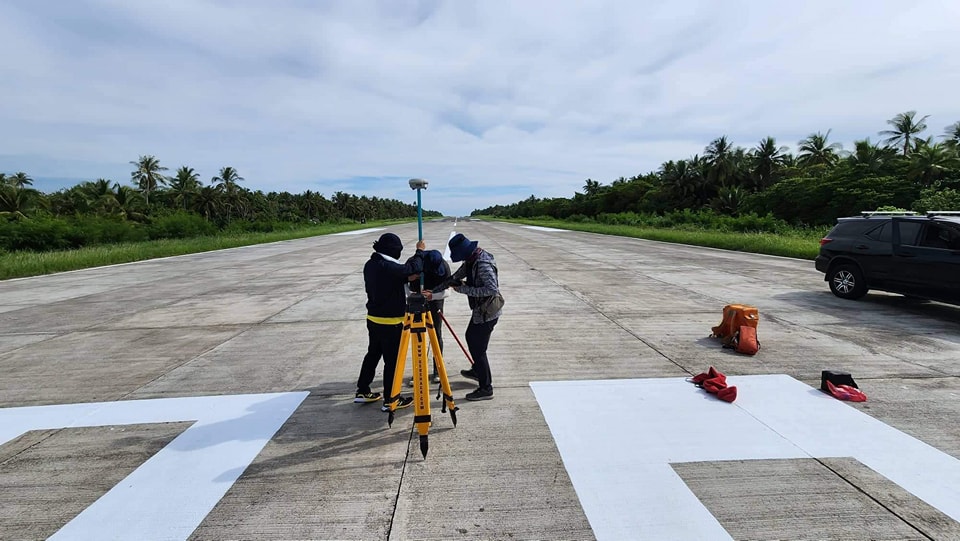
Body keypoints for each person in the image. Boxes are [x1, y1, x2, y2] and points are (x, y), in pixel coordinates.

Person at [426, 233, 501, 401]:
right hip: (480, 311)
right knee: (471, 339)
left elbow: (492, 290)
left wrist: (463, 289)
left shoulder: (482, 264)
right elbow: (454, 278)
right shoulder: (471, 260)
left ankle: (486, 388)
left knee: (478, 348)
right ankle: (477, 370)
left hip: (488, 311)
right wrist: (434, 291)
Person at [355, 232, 425, 411]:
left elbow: (390, 278)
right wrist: (419, 252)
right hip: (390, 322)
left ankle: (363, 390)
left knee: (373, 354)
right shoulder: (387, 266)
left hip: (373, 319)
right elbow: (411, 268)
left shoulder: (371, 264)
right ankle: (391, 398)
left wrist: (403, 277)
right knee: (392, 361)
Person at [407, 249, 451, 386]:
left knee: (436, 334)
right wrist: (413, 296)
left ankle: (438, 369)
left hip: (435, 300)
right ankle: (419, 371)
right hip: (415, 301)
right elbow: (402, 283)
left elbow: (448, 291)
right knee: (417, 335)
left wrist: (433, 296)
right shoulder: (413, 263)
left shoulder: (443, 266)